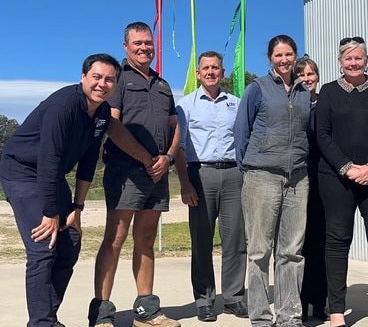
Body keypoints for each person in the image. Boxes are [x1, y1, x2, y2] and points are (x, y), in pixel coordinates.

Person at [0, 53, 159, 327]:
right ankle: (42, 323)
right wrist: (51, 212)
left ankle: (48, 317)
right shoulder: (64, 106)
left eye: (109, 80)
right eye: (96, 77)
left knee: (70, 243)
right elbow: (48, 160)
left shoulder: (102, 114)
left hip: (51, 176)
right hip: (22, 171)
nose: (102, 84)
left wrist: (77, 208)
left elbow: (87, 161)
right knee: (44, 247)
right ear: (83, 77)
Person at [88, 22, 181, 327]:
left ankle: (147, 310)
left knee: (146, 238)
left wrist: (166, 158)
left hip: (157, 172)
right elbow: (113, 125)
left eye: (149, 43)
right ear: (125, 46)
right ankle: (101, 313)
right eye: (138, 43)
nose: (145, 48)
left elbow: (175, 125)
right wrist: (145, 157)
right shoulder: (118, 80)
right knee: (114, 239)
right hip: (125, 170)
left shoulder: (163, 84)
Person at [316, 36, 368, 327]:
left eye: (359, 58)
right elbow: (322, 135)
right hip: (337, 180)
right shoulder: (328, 92)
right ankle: (337, 312)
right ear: (340, 62)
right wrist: (347, 167)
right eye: (348, 58)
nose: (353, 63)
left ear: (367, 60)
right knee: (338, 242)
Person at [234, 34, 311, 327]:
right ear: (270, 58)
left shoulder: (303, 91)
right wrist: (252, 166)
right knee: (259, 251)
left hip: (298, 178)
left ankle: (289, 315)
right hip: (262, 175)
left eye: (289, 54)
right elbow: (241, 132)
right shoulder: (258, 89)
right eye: (278, 55)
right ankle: (261, 316)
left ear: (295, 56)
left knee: (291, 251)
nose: (284, 60)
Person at [174, 51, 248, 322]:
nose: (210, 72)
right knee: (202, 242)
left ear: (223, 71)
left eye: (215, 68)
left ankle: (234, 298)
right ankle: (204, 300)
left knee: (235, 240)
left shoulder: (237, 104)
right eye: (205, 68)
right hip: (200, 175)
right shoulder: (186, 105)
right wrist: (184, 183)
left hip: (233, 175)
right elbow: (179, 148)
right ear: (198, 73)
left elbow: (245, 139)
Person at [294, 55, 328, 322]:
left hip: (325, 182)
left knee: (322, 245)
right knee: (299, 245)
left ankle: (320, 301)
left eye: (311, 73)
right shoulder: (292, 107)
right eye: (302, 74)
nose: (307, 78)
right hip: (298, 181)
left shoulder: (327, 104)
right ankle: (301, 302)